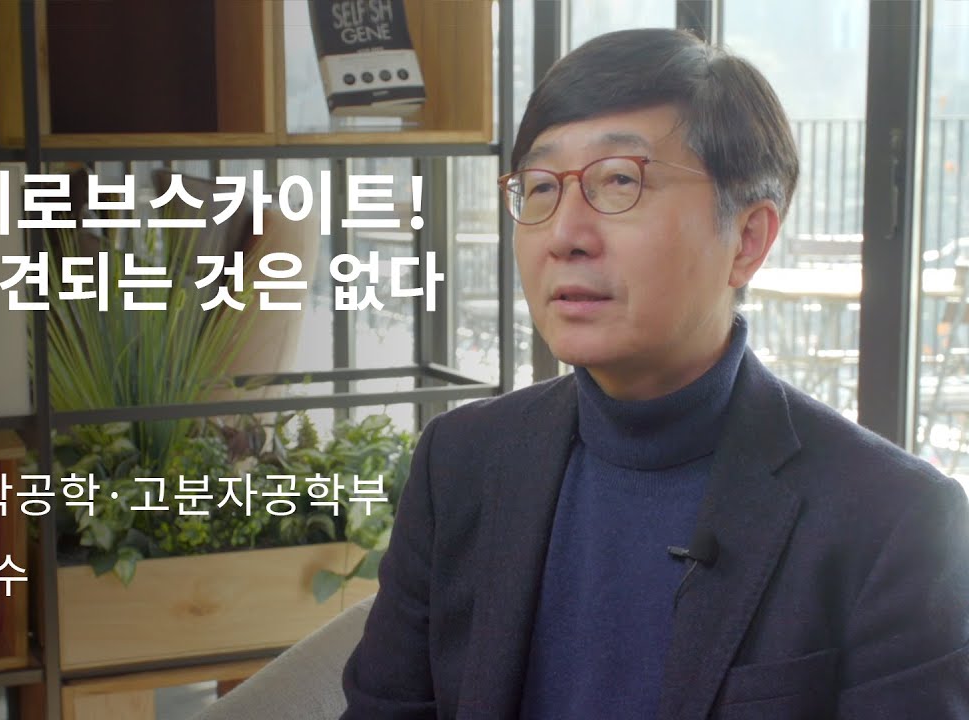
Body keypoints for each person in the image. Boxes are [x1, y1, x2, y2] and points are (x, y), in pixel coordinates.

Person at [341, 28, 969, 719]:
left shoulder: (895, 521)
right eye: (541, 187)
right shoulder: (461, 461)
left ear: (748, 239)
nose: (564, 234)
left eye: (620, 181)